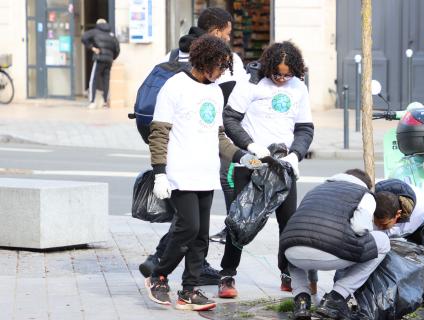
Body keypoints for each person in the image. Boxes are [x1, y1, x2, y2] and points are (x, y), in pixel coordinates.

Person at [144, 34, 261, 311]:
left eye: (224, 67)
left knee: (200, 237)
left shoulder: (215, 91)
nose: (221, 72)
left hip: (205, 173)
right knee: (188, 228)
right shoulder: (174, 87)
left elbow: (218, 135)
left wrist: (242, 156)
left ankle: (189, 290)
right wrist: (159, 173)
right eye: (218, 66)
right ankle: (159, 276)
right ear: (203, 60)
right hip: (179, 172)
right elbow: (159, 134)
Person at [217, 41, 314, 299]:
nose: (282, 79)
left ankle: (287, 273)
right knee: (241, 220)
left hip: (283, 166)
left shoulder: (299, 88)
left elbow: (305, 128)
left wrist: (296, 155)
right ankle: (227, 275)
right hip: (252, 163)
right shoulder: (251, 83)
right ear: (269, 67)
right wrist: (250, 145)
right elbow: (230, 118)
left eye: (287, 74)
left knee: (288, 223)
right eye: (277, 74)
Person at [279, 169, 395, 320]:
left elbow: (304, 228)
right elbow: (360, 228)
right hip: (331, 253)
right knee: (383, 242)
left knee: (296, 241)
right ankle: (336, 298)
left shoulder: (316, 190)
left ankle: (302, 301)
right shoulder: (365, 195)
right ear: (366, 185)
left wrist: (313, 280)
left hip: (292, 253)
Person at [374, 178, 424, 264]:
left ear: (398, 214)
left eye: (384, 225)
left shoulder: (422, 203)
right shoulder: (367, 201)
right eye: (376, 223)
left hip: (412, 234)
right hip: (379, 242)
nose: (379, 227)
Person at [81, 18, 120, 109]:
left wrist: (92, 48)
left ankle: (92, 101)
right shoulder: (111, 35)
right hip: (109, 61)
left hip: (99, 59)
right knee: (106, 81)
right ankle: (105, 102)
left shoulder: (95, 31)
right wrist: (112, 57)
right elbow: (117, 49)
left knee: (93, 80)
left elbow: (83, 37)